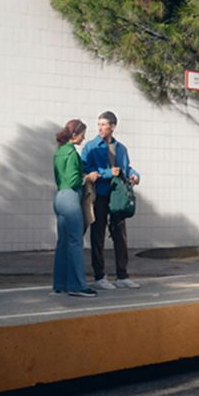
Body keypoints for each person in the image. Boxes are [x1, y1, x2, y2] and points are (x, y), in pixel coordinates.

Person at [81, 110, 141, 289]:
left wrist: (135, 175)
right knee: (98, 235)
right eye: (98, 124)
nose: (100, 128)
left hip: (118, 196)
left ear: (113, 126)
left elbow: (127, 167)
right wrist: (108, 173)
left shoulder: (121, 148)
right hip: (99, 195)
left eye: (103, 124)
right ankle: (100, 276)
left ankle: (122, 276)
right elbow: (85, 170)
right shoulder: (90, 147)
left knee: (120, 235)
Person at [53, 119, 99, 297]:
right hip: (71, 198)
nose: (84, 138)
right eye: (82, 134)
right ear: (74, 135)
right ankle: (77, 286)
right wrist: (88, 177)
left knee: (63, 242)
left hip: (59, 197)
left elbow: (60, 178)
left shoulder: (59, 152)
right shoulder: (72, 153)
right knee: (75, 242)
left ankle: (60, 283)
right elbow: (74, 181)